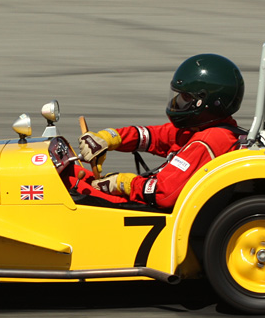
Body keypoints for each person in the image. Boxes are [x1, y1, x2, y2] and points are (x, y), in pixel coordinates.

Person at [76, 53, 245, 209]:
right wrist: (110, 138)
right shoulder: (210, 130)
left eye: (185, 98)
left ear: (205, 102)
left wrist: (123, 183)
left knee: (76, 193)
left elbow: (164, 194)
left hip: (160, 212)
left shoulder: (208, 141)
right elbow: (155, 137)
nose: (177, 101)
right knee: (77, 177)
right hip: (162, 205)